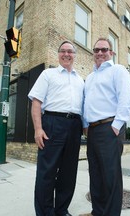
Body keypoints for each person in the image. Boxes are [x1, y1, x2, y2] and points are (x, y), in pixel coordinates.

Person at [28, 40, 85, 216]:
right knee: (47, 172)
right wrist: (38, 129)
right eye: (63, 51)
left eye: (70, 51)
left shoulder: (80, 80)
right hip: (52, 123)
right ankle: (45, 212)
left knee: (69, 173)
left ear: (75, 55)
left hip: (75, 125)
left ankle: (61, 210)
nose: (66, 54)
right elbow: (36, 102)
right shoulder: (48, 74)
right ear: (58, 54)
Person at [80, 38, 130, 216]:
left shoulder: (117, 70)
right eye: (96, 50)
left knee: (110, 177)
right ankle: (97, 212)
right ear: (93, 53)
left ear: (111, 52)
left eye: (104, 49)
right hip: (93, 131)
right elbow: (86, 104)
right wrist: (86, 126)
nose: (100, 53)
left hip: (109, 128)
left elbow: (126, 99)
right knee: (95, 174)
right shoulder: (90, 77)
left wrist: (116, 125)